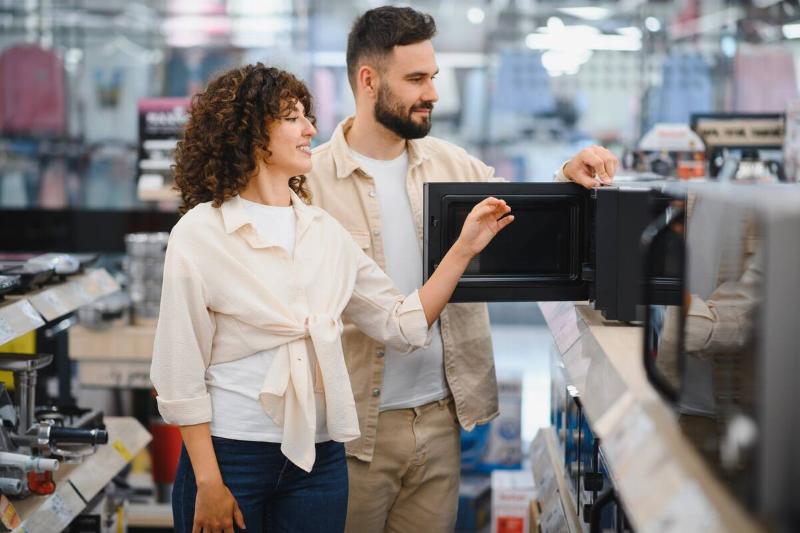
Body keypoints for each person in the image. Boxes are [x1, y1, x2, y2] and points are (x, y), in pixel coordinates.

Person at [149, 63, 514, 533]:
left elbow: (400, 324)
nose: (310, 129)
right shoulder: (201, 233)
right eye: (292, 118)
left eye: (307, 116)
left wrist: (463, 249)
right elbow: (179, 375)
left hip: (319, 461)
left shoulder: (322, 230)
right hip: (230, 455)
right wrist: (208, 482)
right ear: (250, 131)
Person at [306, 6, 619, 532]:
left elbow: (520, 226)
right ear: (367, 80)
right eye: (415, 79)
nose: (432, 93)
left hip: (438, 422)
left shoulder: (453, 166)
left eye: (433, 77)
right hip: (351, 431)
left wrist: (566, 176)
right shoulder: (311, 183)